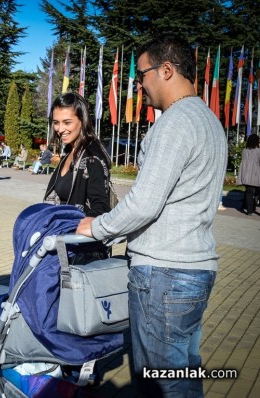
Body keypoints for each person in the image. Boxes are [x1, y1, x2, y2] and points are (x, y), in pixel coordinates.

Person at [76, 34, 227, 397]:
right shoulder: (208, 121)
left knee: (162, 383)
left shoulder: (175, 122)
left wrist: (98, 228)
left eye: (142, 75)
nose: (139, 84)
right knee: (183, 375)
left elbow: (144, 203)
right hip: (193, 269)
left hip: (164, 273)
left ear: (167, 69)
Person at [44, 93, 111, 217]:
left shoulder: (92, 157)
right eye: (56, 122)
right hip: (59, 230)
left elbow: (101, 206)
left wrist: (81, 230)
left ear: (83, 121)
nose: (60, 129)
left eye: (67, 122)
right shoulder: (69, 151)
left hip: (75, 233)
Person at [237, 133, 260, 216]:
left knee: (249, 192)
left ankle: (249, 211)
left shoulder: (244, 150)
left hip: (246, 175)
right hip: (256, 175)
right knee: (255, 192)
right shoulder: (258, 151)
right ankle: (253, 207)